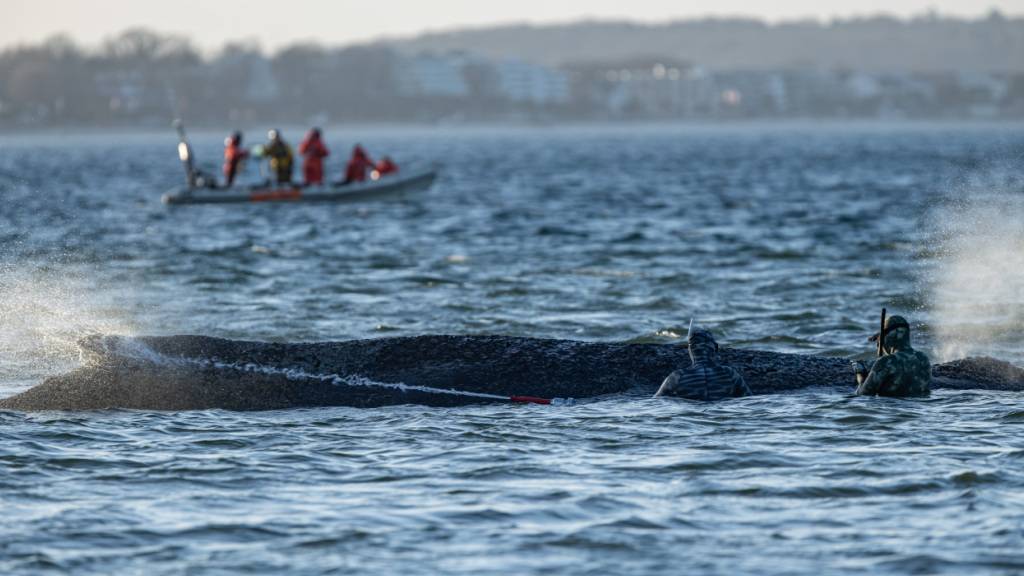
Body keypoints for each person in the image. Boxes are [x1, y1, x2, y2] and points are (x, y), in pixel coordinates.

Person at [655, 324, 752, 400]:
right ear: (715, 348)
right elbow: (749, 401)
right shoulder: (729, 374)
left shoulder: (677, 377)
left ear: (690, 350)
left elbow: (656, 403)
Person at [853, 315, 931, 397]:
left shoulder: (886, 361)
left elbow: (864, 394)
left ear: (888, 336)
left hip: (890, 407)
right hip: (917, 408)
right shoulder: (924, 358)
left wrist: (860, 376)